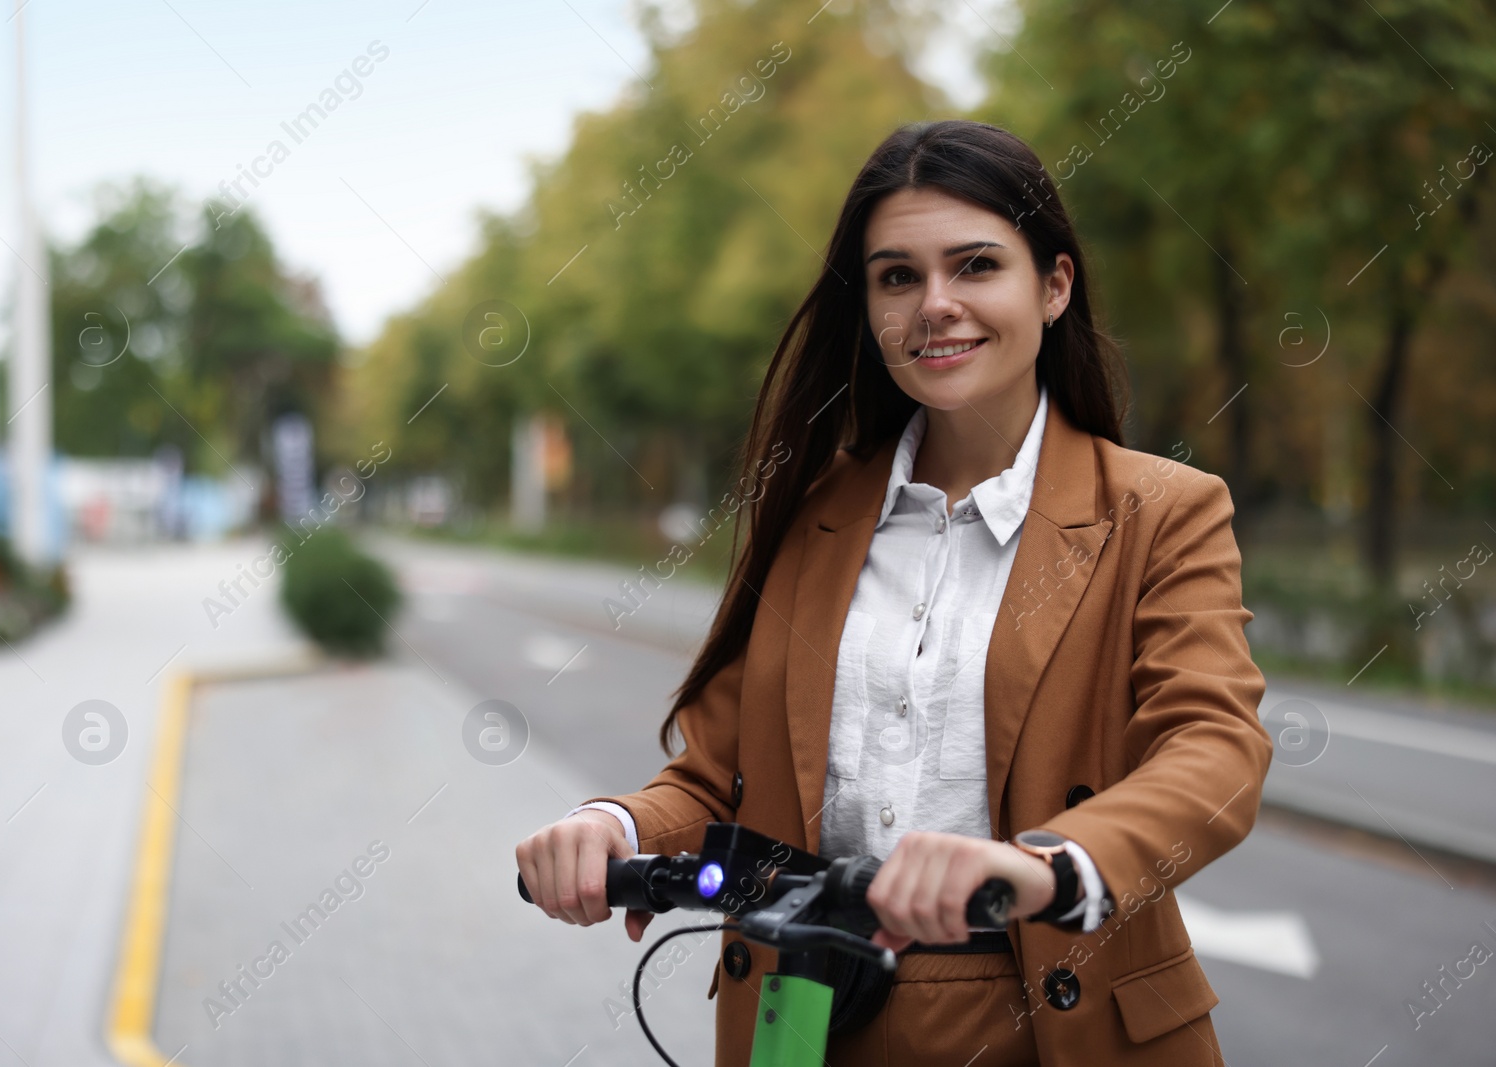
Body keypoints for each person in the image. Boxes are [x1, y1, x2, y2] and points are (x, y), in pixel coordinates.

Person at [515, 119, 1272, 1067]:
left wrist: (1042, 866)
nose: (935, 305)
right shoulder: (807, 515)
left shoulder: (1163, 512)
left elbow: (1214, 749)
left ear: (1054, 285)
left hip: (1059, 1027)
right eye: (898, 277)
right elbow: (718, 775)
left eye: (977, 265)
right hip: (805, 1016)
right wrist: (609, 826)